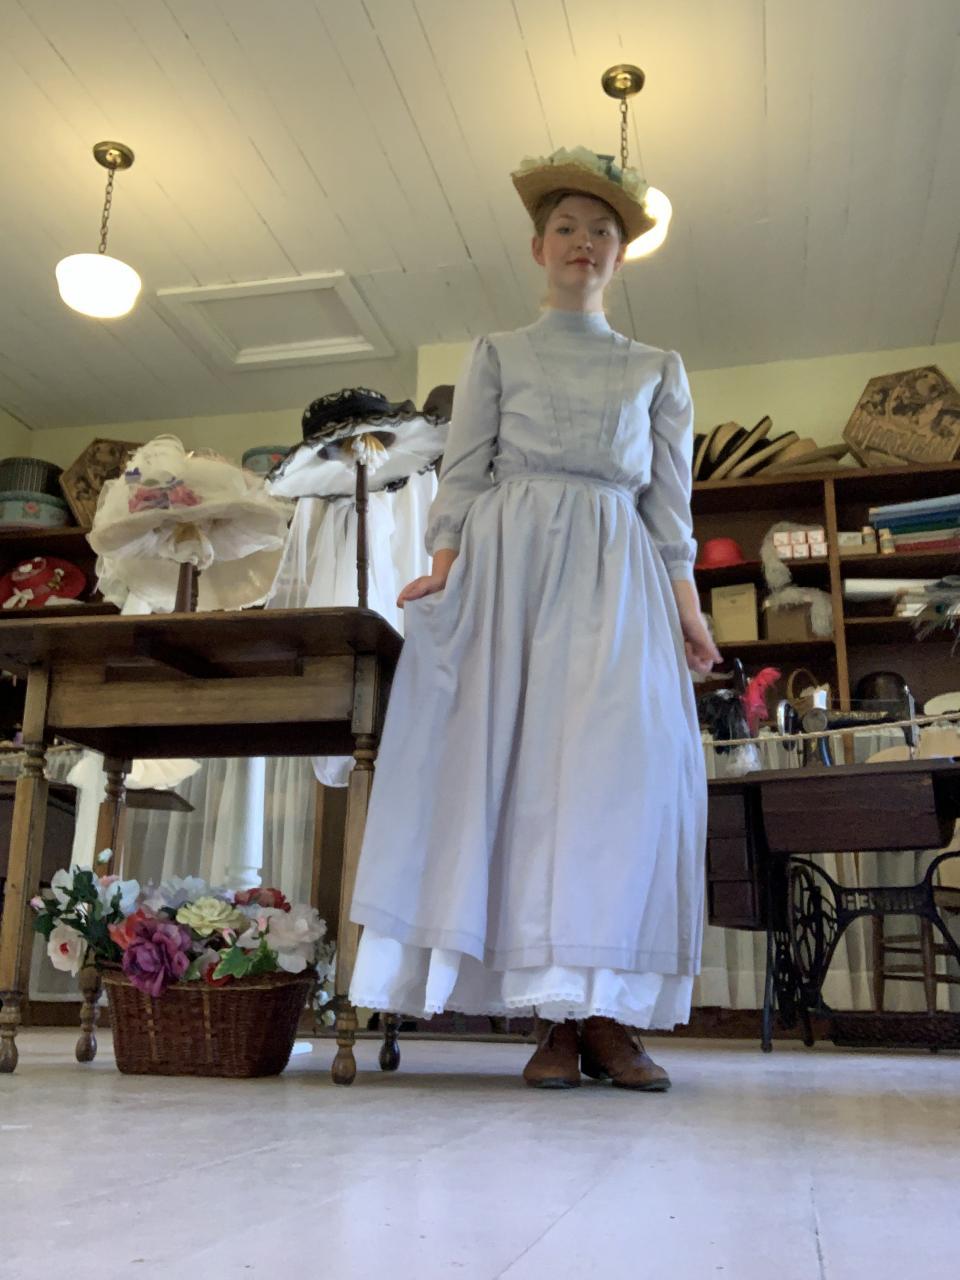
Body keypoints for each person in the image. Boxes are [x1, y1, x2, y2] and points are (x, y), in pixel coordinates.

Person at [348, 146, 721, 1091]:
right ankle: (551, 1023)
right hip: (509, 575)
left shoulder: (658, 370)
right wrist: (442, 570)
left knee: (612, 787)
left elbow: (669, 510)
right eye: (566, 228)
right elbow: (464, 475)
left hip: (617, 579)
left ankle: (605, 1018)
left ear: (621, 256)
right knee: (517, 783)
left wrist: (688, 613)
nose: (582, 242)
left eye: (602, 232)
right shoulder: (496, 354)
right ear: (537, 247)